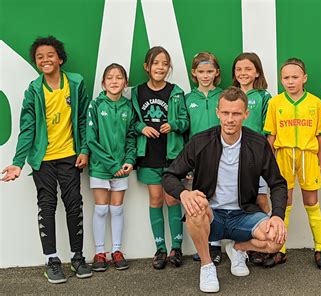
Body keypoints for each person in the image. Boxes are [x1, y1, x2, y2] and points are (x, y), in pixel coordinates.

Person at [162, 87, 288, 293]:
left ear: (246, 114)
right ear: (217, 112)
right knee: (196, 205)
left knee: (276, 240)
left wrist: (277, 216)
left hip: (244, 214)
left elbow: (277, 183)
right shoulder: (201, 141)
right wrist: (184, 194)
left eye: (236, 113)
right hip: (213, 215)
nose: (230, 119)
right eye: (226, 113)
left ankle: (238, 248)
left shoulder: (257, 144)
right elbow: (169, 175)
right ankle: (207, 265)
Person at [1, 36, 92, 283]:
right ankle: (52, 260)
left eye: (50, 55)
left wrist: (84, 150)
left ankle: (77, 258)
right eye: (39, 57)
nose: (45, 60)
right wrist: (18, 162)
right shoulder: (33, 90)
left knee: (74, 204)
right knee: (47, 206)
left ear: (60, 58)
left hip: (70, 157)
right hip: (43, 160)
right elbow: (27, 128)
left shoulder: (75, 83)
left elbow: (83, 119)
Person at [263, 58, 321, 269]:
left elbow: (319, 136)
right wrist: (270, 165)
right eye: (286, 77)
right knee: (284, 205)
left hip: (308, 157)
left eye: (295, 77)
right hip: (283, 157)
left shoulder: (315, 102)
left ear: (304, 78)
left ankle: (320, 248)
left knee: (312, 204)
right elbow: (271, 137)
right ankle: (279, 250)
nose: (290, 81)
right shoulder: (275, 103)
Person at [130, 46, 189, 269]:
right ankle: (160, 249)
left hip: (172, 155)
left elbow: (185, 122)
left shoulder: (175, 92)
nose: (160, 67)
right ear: (147, 66)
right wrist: (141, 128)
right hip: (149, 156)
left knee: (172, 199)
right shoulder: (137, 92)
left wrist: (173, 124)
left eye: (165, 64)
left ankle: (177, 248)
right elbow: (132, 120)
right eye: (156, 63)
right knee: (155, 199)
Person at [87, 63, 137, 271]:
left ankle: (116, 250)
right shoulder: (96, 105)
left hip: (121, 169)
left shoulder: (128, 107)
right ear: (103, 82)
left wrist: (129, 160)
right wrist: (112, 164)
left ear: (126, 83)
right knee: (101, 209)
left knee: (116, 210)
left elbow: (132, 136)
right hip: (100, 167)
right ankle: (100, 252)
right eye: (110, 77)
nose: (114, 81)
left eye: (118, 78)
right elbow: (91, 140)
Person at [232, 52, 272, 265]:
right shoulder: (230, 96)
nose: (243, 73)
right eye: (239, 69)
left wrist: (266, 157)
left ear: (257, 71)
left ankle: (262, 245)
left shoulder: (264, 96)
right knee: (237, 203)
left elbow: (269, 131)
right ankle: (241, 248)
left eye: (248, 69)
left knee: (261, 200)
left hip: (257, 159)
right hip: (233, 159)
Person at [185, 51, 224, 264]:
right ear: (194, 73)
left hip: (221, 154)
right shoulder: (188, 98)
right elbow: (185, 131)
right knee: (202, 200)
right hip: (198, 158)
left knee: (219, 198)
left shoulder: (224, 95)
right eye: (201, 71)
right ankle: (205, 245)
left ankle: (216, 245)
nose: (206, 75)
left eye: (209, 71)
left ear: (216, 72)